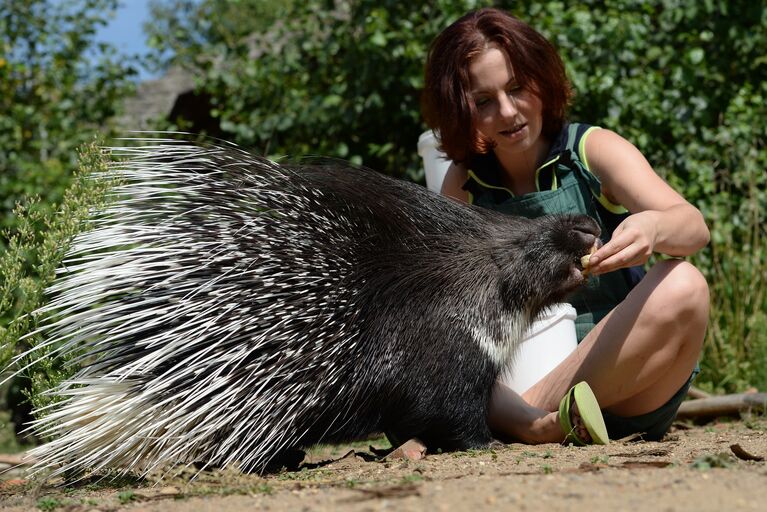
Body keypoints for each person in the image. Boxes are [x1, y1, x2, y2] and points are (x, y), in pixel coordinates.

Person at [421, 7, 710, 444]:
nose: (507, 112)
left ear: (541, 77)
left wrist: (652, 227)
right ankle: (542, 421)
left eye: (517, 88)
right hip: (515, 375)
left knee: (685, 284)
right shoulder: (464, 184)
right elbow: (447, 314)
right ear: (461, 111)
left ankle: (530, 425)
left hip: (628, 382)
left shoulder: (591, 148)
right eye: (483, 102)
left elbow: (694, 228)